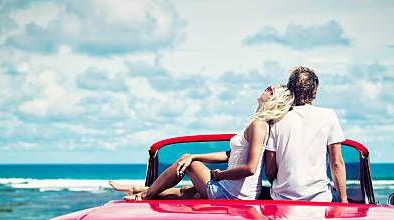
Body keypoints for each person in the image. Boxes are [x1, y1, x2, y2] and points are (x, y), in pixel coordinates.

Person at [113, 85, 294, 201]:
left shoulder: (259, 125)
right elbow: (230, 155)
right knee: (186, 192)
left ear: (274, 100)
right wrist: (196, 155)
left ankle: (145, 195)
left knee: (186, 161)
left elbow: (251, 168)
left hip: (233, 195)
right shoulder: (259, 125)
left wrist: (219, 175)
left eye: (271, 90)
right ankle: (137, 189)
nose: (267, 89)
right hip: (236, 192)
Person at [265, 66, 348, 203]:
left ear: (291, 90)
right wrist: (344, 200)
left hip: (282, 200)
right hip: (319, 199)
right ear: (314, 91)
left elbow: (270, 170)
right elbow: (336, 163)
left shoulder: (277, 119)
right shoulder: (328, 116)